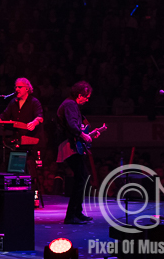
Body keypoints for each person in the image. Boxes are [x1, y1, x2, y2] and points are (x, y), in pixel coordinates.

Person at [0, 77, 44, 202]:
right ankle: (15, 195)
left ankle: (33, 196)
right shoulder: (13, 102)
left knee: (30, 167)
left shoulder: (34, 102)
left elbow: (40, 117)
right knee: (13, 167)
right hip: (17, 139)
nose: (16, 89)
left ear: (27, 88)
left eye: (19, 87)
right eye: (16, 87)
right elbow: (4, 115)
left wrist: (33, 122)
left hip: (30, 140)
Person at [57, 81, 97, 224]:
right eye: (87, 97)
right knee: (81, 178)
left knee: (82, 177)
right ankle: (71, 215)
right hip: (68, 145)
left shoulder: (71, 105)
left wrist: (87, 133)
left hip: (71, 143)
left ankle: (77, 213)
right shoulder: (70, 104)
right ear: (80, 95)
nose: (87, 100)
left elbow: (76, 125)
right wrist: (82, 135)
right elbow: (72, 125)